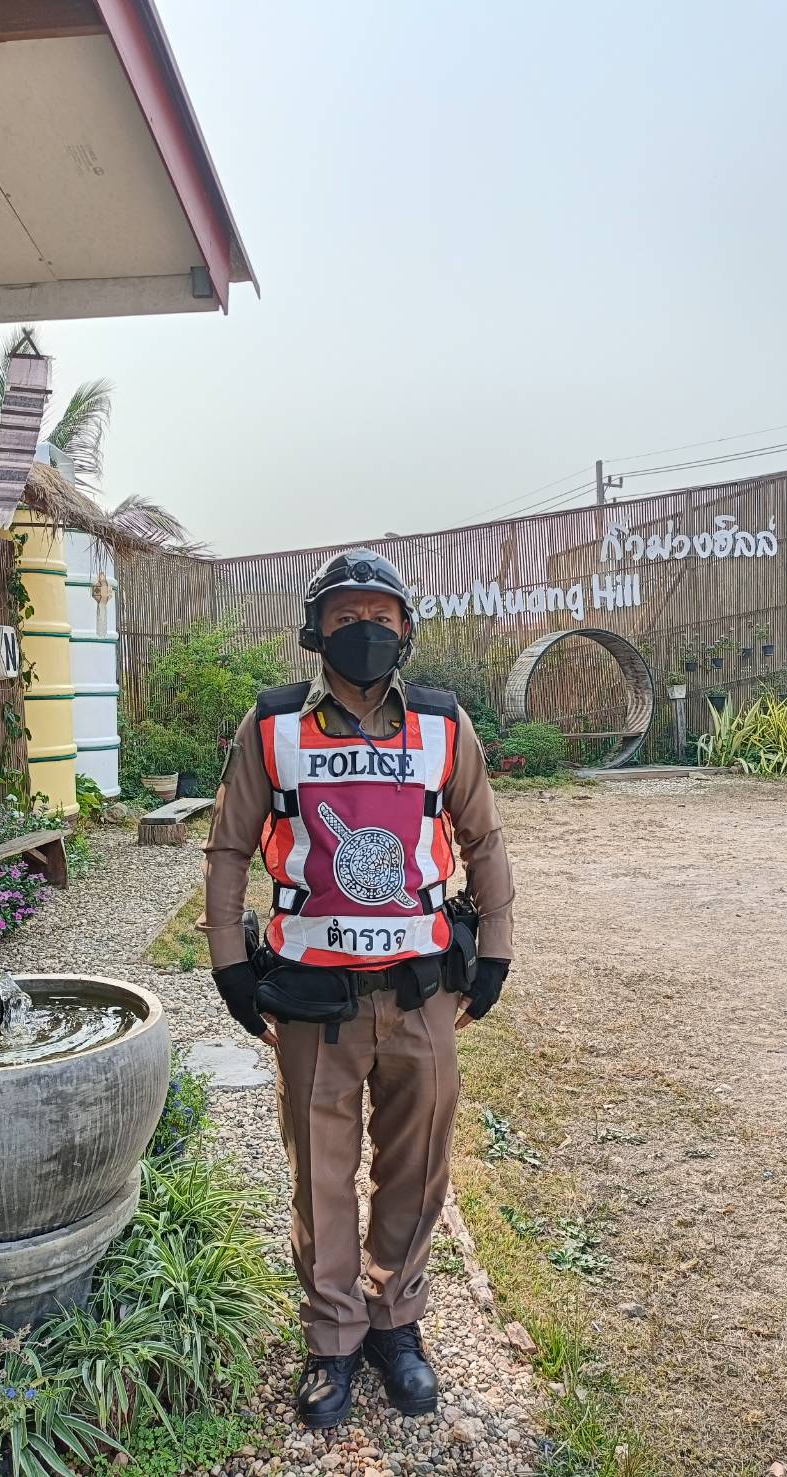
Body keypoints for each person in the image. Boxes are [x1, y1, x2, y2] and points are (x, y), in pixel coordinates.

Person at [200, 549, 514, 1430]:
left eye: (380, 616)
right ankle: (333, 1336)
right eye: (344, 618)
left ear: (405, 629)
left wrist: (495, 952)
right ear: (315, 630)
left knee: (418, 1167)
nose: (364, 631)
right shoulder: (272, 725)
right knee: (321, 1175)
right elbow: (229, 845)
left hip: (420, 992)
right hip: (312, 1001)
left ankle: (394, 1323)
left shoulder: (444, 724)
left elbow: (484, 839)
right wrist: (229, 963)